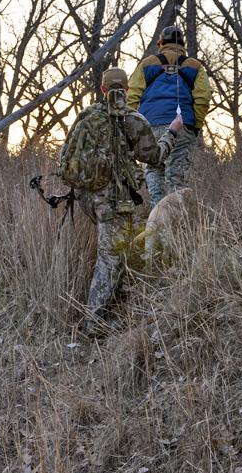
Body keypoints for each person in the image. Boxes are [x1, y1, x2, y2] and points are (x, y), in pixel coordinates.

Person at [73, 67, 183, 333]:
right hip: (113, 202)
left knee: (119, 250)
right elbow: (156, 157)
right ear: (128, 90)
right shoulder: (133, 119)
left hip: (87, 197)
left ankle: (117, 303)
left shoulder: (85, 117)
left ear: (101, 89)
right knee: (110, 256)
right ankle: (92, 324)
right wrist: (172, 131)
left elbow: (70, 158)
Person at [127, 25, 213, 207]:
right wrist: (195, 126)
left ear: (161, 43)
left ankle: (156, 220)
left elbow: (132, 96)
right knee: (176, 181)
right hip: (181, 127)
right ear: (183, 44)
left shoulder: (147, 64)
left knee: (153, 169)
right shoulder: (195, 66)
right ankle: (177, 226)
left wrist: (131, 128)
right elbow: (203, 98)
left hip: (149, 129)